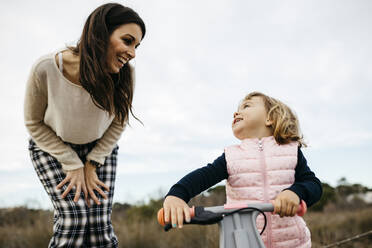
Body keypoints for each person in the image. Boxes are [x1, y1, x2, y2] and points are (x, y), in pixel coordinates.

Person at [24, 3, 145, 247]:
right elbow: (34, 123)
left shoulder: (126, 76)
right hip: (51, 148)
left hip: (99, 151)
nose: (133, 53)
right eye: (128, 40)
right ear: (100, 33)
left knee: (99, 226)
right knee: (75, 219)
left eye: (136, 46)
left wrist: (91, 163)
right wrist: (71, 162)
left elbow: (118, 123)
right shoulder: (46, 68)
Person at [163, 92, 322, 248]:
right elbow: (203, 176)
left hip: (292, 243)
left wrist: (295, 192)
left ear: (270, 118)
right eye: (238, 108)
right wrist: (177, 195)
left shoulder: (291, 151)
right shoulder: (231, 157)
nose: (236, 112)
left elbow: (313, 184)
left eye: (246, 106)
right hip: (243, 241)